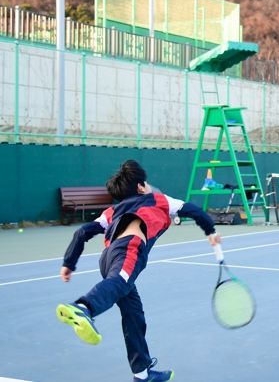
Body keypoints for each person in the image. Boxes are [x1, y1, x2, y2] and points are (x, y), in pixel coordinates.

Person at [56, 160, 220, 382]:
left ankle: (142, 374)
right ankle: (84, 307)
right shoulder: (158, 199)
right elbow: (194, 211)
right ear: (141, 187)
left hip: (107, 258)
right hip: (129, 250)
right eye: (147, 183)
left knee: (134, 315)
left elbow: (82, 233)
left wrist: (69, 262)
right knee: (119, 282)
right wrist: (211, 232)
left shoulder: (112, 211)